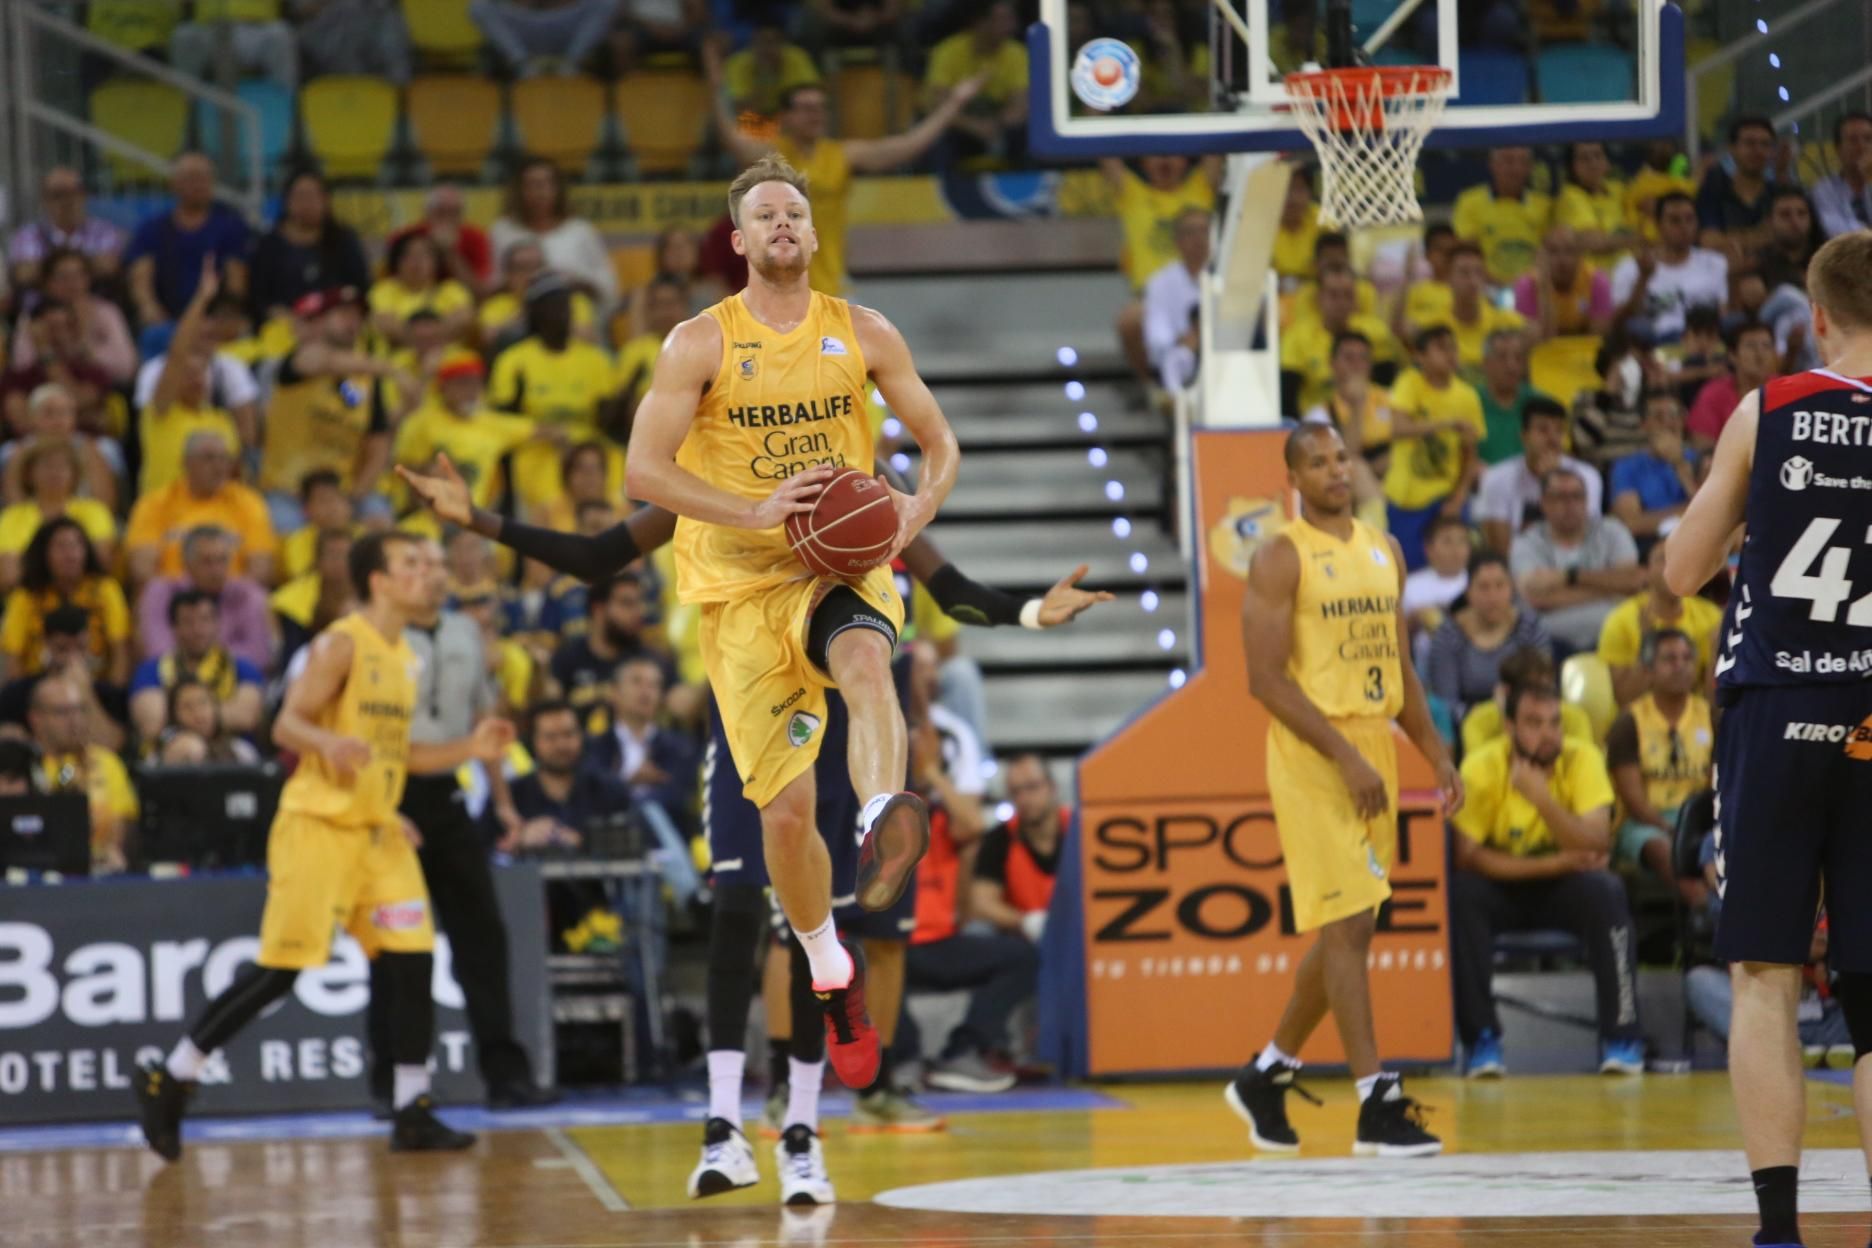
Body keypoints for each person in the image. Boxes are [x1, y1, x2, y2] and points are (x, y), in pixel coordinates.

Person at [397, 452, 1112, 1193]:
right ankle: (724, 1128)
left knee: (818, 932)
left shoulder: (862, 490)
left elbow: (950, 589)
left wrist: (1029, 611)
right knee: (741, 913)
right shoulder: (715, 482)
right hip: (750, 720)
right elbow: (594, 555)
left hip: (841, 738)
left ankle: (804, 1133)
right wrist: (475, 516)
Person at [135, 532, 515, 1162]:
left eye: (430, 565)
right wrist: (328, 744)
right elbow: (285, 723)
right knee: (282, 971)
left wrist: (470, 750)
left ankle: (411, 1106)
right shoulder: (343, 644)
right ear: (379, 581)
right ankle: (172, 1075)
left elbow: (404, 753)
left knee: (413, 955)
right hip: (319, 826)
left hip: (379, 830)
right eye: (413, 564)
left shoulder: (405, 659)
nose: (429, 575)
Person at [1661, 229, 1872, 1248]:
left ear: (1817, 319)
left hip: (1775, 711)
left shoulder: (1770, 408)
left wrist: (1751, 529)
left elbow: (1679, 571)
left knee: (1764, 976)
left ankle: (1780, 1230)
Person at [1226, 422, 1458, 1158]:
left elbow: (1400, 667)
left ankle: (1267, 1074)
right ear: (1293, 475)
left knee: (1350, 928)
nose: (1334, 470)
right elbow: (1265, 680)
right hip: (1312, 751)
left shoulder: (1384, 550)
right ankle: (1375, 1104)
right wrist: (1345, 758)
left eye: (1340, 458)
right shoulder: (1281, 556)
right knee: (1353, 922)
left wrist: (1433, 751)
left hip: (1373, 744)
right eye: (1317, 462)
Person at [361, 539, 553, 1112]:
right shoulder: (373, 637)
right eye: (421, 566)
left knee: (483, 937)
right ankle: (391, 1082)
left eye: (442, 567)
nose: (436, 577)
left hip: (448, 794)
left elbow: (483, 720)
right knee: (395, 943)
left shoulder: (469, 634)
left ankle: (505, 1074)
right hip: (391, 795)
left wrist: (502, 802)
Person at [1448, 681, 1641, 1078]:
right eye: (1534, 723)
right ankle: (1482, 1040)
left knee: (1607, 891)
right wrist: (1561, 861)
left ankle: (1622, 1036)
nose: (1548, 733)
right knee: (1461, 895)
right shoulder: (1482, 766)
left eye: (1554, 722)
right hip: (1501, 887)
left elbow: (1596, 839)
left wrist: (1542, 800)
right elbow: (1467, 857)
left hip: (1564, 889)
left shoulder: (1583, 758)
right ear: (1509, 727)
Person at [709, 59, 983, 297]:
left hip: (833, 289)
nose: (815, 114)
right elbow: (732, 141)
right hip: (778, 289)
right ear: (786, 117)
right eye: (805, 108)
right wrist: (716, 86)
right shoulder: (772, 154)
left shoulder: (842, 155)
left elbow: (908, 146)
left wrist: (954, 103)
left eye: (820, 107)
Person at [258, 287, 408, 533]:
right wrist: (391, 369)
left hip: (343, 490)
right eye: (343, 314)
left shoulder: (366, 380)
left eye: (358, 316)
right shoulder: (299, 359)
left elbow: (378, 447)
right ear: (319, 322)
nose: (353, 322)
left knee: (381, 526)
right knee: (287, 531)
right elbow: (321, 360)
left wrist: (355, 496)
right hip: (288, 489)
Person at [487, 271, 620, 514]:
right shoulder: (514, 361)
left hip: (588, 451)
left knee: (614, 499)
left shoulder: (595, 359)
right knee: (550, 511)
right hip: (537, 451)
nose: (562, 314)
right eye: (554, 307)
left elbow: (608, 421)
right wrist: (540, 431)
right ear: (537, 314)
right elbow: (497, 420)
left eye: (566, 307)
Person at [1602, 628, 1712, 889]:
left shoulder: (1711, 716)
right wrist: (1672, 829)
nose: (1680, 666)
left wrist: (1698, 827)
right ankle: (1704, 914)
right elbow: (1635, 801)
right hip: (1643, 823)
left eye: (1687, 659)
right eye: (1670, 659)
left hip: (1697, 816)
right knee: (1663, 848)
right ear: (1648, 671)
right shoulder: (1628, 723)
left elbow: (1716, 786)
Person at [1105, 152, 1223, 394]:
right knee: (1131, 318)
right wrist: (1096, 113)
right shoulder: (1132, 193)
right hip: (1151, 298)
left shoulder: (1199, 188)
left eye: (1172, 154)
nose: (1165, 161)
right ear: (1143, 161)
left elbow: (1215, 149)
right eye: (1156, 155)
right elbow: (1105, 154)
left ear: (1186, 161)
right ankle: (1152, 387)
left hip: (1203, 291)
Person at [138, 265, 247, 498]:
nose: (195, 379)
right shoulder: (161, 413)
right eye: (186, 374)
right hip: (166, 513)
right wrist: (202, 298)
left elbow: (236, 473)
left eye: (199, 373)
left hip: (216, 513)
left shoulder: (222, 420)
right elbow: (178, 353)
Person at [1381, 326, 1485, 570]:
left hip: (1445, 498)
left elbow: (1470, 455)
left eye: (1452, 347)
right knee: (1407, 570)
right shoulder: (1409, 382)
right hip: (1405, 499)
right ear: (1420, 356)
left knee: (1456, 572)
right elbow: (1397, 428)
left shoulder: (1467, 396)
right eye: (1440, 348)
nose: (1449, 354)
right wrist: (1447, 424)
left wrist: (1458, 499)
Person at [1509, 467, 1645, 654]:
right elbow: (1536, 597)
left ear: (1587, 500)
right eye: (1560, 497)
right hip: (1549, 642)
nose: (1570, 504)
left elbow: (1633, 582)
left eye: (1577, 496)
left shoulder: (1612, 530)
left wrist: (1569, 576)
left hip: (1613, 636)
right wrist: (1611, 588)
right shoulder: (1526, 542)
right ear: (1544, 503)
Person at [124, 153, 252, 350]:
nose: (198, 184)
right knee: (154, 335)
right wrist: (149, 308)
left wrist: (224, 317)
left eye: (204, 178)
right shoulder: (152, 229)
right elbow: (141, 281)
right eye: (191, 178)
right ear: (174, 183)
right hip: (167, 322)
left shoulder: (231, 227)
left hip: (214, 319)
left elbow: (236, 283)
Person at [125, 432, 276, 588]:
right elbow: (142, 569)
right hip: (174, 599)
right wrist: (181, 600)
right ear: (186, 462)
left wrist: (229, 597)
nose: (219, 466)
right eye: (208, 458)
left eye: (224, 459)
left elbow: (261, 569)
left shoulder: (249, 502)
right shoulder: (155, 503)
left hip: (230, 597)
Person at [1424, 550, 1552, 727]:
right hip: (1467, 725)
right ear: (1468, 592)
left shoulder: (1530, 628)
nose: (1493, 597)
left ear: (1511, 588)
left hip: (1525, 720)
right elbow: (1445, 704)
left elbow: (1543, 687)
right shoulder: (1448, 635)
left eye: (1500, 585)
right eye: (1483, 587)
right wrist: (1487, 717)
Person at [0, 516, 132, 687]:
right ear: (43, 553)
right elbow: (13, 657)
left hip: (96, 684)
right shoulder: (25, 596)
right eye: (61, 547)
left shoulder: (106, 589)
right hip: (37, 687)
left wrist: (114, 694)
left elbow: (120, 650)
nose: (71, 554)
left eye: (77, 545)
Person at [128, 589, 265, 746]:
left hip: (232, 753)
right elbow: (151, 725)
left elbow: (246, 717)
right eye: (188, 622)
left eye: (205, 620)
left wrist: (181, 714)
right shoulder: (151, 670)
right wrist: (217, 715)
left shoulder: (242, 667)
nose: (198, 630)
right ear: (174, 628)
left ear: (217, 624)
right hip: (172, 754)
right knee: (190, 748)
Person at [31, 674, 138, 872]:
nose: (75, 720)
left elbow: (122, 828)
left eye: (80, 710)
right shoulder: (26, 765)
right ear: (36, 719)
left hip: (100, 872)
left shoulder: (107, 762)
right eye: (62, 712)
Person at [1597, 541, 1724, 705]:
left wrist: (1715, 653)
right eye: (1663, 559)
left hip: (1696, 720)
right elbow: (1623, 700)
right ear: (1645, 571)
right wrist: (1647, 650)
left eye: (1679, 557)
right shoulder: (1620, 621)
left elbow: (1714, 702)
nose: (1674, 564)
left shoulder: (1711, 616)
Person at [137, 526, 274, 673]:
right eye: (207, 562)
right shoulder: (160, 592)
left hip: (233, 680)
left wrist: (202, 659)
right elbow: (157, 650)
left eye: (222, 560)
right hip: (172, 678)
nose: (216, 571)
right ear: (187, 564)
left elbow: (259, 655)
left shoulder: (249, 594)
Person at [1475, 395, 1601, 555]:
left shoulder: (1587, 476)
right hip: (1518, 568)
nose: (1553, 439)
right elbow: (1499, 547)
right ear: (1523, 436)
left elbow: (1586, 537)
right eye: (1543, 430)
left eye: (1559, 430)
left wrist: (1552, 480)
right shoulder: (1496, 478)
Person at [490, 158, 618, 314]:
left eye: (546, 184)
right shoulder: (502, 231)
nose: (540, 191)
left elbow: (607, 288)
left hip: (574, 315)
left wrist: (570, 283)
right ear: (519, 190)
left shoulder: (581, 231)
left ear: (558, 189)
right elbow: (491, 286)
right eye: (532, 184)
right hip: (514, 317)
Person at [247, 169, 370, 330]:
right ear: (286, 201)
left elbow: (359, 289)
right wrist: (286, 318)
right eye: (300, 196)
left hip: (336, 325)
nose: (307, 203)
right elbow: (259, 297)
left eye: (313, 196)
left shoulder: (344, 240)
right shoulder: (268, 245)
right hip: (284, 327)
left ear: (326, 201)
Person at [0, 603, 126, 747]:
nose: (72, 659)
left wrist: (87, 693)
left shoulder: (107, 693)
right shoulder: (17, 693)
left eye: (80, 648)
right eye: (62, 649)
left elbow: (112, 746)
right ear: (46, 644)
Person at [1282, 264, 1399, 417]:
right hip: (1316, 422)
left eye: (1348, 295)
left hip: (1369, 420)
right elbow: (1287, 395)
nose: (1341, 302)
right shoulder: (1297, 336)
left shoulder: (1376, 332)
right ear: (1319, 298)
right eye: (1333, 295)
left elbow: (1386, 386)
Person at [1611, 193, 1730, 345]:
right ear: (1658, 225)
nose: (1684, 227)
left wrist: (1735, 279)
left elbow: (1724, 313)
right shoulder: (1630, 267)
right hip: (1656, 342)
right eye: (1675, 221)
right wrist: (1643, 278)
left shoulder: (1715, 263)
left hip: (1705, 342)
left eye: (1690, 219)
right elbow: (1619, 324)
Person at [922, 0, 1028, 169]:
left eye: (1011, 19)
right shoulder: (948, 51)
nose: (1011, 26)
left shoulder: (1018, 54)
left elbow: (1019, 107)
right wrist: (975, 127)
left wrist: (996, 125)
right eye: (1002, 20)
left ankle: (1022, 190)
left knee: (1024, 135)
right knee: (938, 139)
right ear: (980, 23)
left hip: (997, 123)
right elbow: (937, 105)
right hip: (958, 123)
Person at [0, 441, 118, 591]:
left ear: (75, 474)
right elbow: (9, 576)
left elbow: (102, 563)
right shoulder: (13, 517)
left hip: (87, 597)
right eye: (47, 466)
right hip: (31, 599)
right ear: (29, 474)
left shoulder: (95, 511)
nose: (55, 472)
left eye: (63, 466)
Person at [9, 249, 137, 385]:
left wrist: (85, 342)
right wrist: (45, 347)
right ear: (46, 283)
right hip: (43, 390)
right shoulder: (33, 316)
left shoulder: (107, 312)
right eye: (63, 277)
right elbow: (20, 366)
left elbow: (125, 367)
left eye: (79, 275)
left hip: (100, 390)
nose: (73, 284)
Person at [7, 167, 125, 291]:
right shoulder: (27, 235)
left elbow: (109, 267)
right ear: (45, 200)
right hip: (41, 307)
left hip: (96, 305)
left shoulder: (104, 231)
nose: (67, 201)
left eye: (73, 192)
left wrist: (47, 268)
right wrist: (87, 264)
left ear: (83, 195)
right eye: (58, 195)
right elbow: (24, 274)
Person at [1609, 391, 1698, 549]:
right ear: (1644, 425)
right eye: (1658, 417)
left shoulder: (1702, 460)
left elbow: (1717, 515)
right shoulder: (1626, 467)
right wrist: (1690, 512)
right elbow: (1632, 523)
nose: (1667, 423)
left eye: (1673, 416)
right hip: (1651, 544)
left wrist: (1679, 464)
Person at [1452, 146, 1552, 286]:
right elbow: (1468, 249)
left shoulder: (1544, 205)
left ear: (1530, 167)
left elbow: (1549, 251)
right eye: (1508, 161)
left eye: (1522, 162)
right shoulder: (1469, 201)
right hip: (1484, 286)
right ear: (1492, 164)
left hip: (1534, 287)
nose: (1515, 169)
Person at [479, 240, 597, 351]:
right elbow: (489, 340)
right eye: (523, 268)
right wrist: (529, 309)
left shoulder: (573, 300)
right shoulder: (496, 304)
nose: (532, 274)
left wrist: (553, 311)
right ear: (509, 274)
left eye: (537, 266)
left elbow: (588, 338)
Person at [1141, 208, 1210, 394]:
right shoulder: (1159, 282)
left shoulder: (1224, 278)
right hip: (1181, 354)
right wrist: (1178, 341)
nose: (1198, 239)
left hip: (1219, 353)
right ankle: (1175, 403)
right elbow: (1156, 334)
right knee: (1177, 359)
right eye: (1190, 232)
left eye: (1204, 231)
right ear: (1177, 241)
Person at [1695, 116, 1781, 258]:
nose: (1758, 151)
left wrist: (1729, 240)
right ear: (1732, 148)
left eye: (1765, 144)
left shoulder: (1779, 194)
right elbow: (1708, 242)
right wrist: (1759, 237)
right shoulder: (1713, 190)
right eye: (1749, 143)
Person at [1686, 320, 1778, 451]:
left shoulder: (1791, 391)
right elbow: (1702, 446)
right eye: (1751, 346)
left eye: (1766, 346)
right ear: (1732, 356)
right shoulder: (1713, 394)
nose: (1760, 354)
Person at [387, 186, 492, 294]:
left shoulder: (476, 238)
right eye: (440, 211)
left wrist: (450, 253)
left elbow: (480, 292)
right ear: (427, 212)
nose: (447, 218)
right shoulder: (405, 237)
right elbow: (389, 284)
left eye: (454, 212)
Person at [1514, 227, 1614, 339]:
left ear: (1580, 255)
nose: (1562, 260)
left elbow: (1598, 336)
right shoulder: (1527, 285)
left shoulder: (1597, 281)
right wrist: (1544, 288)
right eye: (1553, 252)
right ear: (1541, 256)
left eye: (1569, 251)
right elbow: (1533, 339)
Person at [468, 0, 618, 74]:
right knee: (480, 6)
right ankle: (521, 63)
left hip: (565, 22)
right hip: (524, 22)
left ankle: (572, 63)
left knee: (608, 2)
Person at [1554, 142, 1637, 270]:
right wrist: (1638, 238)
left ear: (1607, 162)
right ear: (1572, 167)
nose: (1593, 163)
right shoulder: (1569, 196)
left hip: (1628, 278)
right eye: (1584, 159)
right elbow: (1596, 243)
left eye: (1598, 156)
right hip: (1593, 283)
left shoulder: (1619, 190)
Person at [158, 676, 264, 765]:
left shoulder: (241, 751)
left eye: (203, 703)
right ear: (174, 715)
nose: (198, 714)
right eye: (187, 707)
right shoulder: (163, 753)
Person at [1473, 329, 1540, 468]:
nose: (1512, 366)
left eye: (1518, 358)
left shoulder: (1540, 403)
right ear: (1485, 363)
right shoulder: (1469, 401)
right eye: (1502, 357)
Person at [1811, 111, 1872, 239]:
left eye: (1868, 139)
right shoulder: (1824, 189)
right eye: (1853, 140)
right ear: (1838, 148)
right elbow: (1839, 233)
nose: (1861, 146)